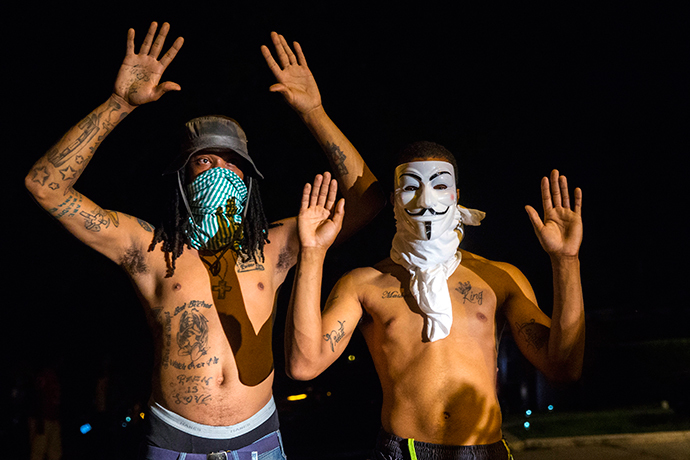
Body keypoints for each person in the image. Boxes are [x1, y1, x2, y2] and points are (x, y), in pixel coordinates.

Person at [25, 22, 384, 459]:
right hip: (176, 445)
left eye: (233, 164)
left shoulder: (273, 246)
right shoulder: (153, 249)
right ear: (182, 179)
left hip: (259, 442)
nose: (220, 172)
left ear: (249, 182)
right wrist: (117, 104)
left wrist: (313, 111)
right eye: (206, 161)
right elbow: (46, 187)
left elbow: (368, 202)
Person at [285, 141, 585, 459]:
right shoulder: (364, 284)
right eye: (410, 187)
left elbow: (563, 367)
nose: (425, 200)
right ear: (393, 200)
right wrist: (313, 254)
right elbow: (304, 364)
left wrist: (566, 261)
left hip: (485, 450)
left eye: (439, 186)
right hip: (404, 451)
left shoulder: (498, 278)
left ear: (455, 196)